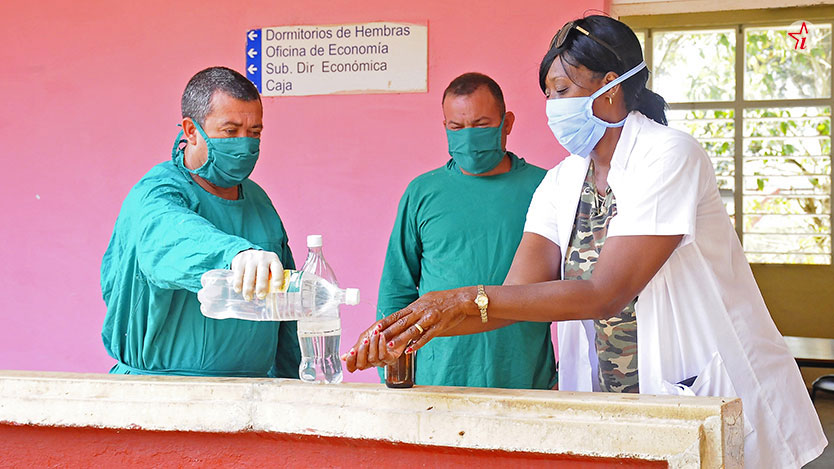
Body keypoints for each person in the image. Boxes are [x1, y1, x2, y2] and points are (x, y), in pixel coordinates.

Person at [344, 16, 827, 467]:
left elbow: (606, 292)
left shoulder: (669, 155)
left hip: (704, 388)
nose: (554, 108)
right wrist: (408, 331)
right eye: (549, 94)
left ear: (611, 89)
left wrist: (462, 297)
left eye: (562, 91)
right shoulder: (561, 181)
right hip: (616, 402)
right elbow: (511, 299)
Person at [101, 66, 300, 377]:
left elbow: (286, 310)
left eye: (255, 132)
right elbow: (171, 240)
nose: (244, 144)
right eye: (230, 131)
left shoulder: (258, 201)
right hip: (161, 396)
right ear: (191, 130)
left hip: (254, 399)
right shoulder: (157, 193)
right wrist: (235, 256)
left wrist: (295, 386)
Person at [371, 73, 556, 389]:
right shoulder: (422, 192)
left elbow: (571, 288)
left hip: (526, 377)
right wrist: (391, 368)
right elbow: (397, 289)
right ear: (445, 127)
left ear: (506, 123)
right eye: (457, 128)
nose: (468, 137)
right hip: (437, 379)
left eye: (482, 125)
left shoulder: (547, 188)